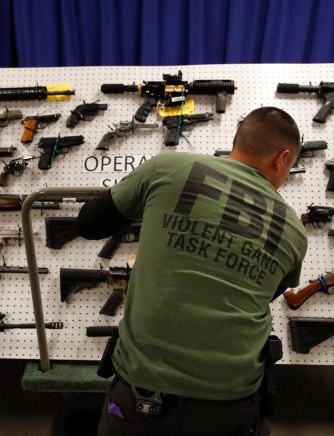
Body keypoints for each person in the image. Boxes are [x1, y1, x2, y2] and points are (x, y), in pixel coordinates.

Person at [77, 106, 308, 435]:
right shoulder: (294, 230)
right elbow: (265, 293)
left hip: (141, 397)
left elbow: (88, 223)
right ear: (282, 158)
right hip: (231, 403)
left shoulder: (169, 167)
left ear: (237, 141)